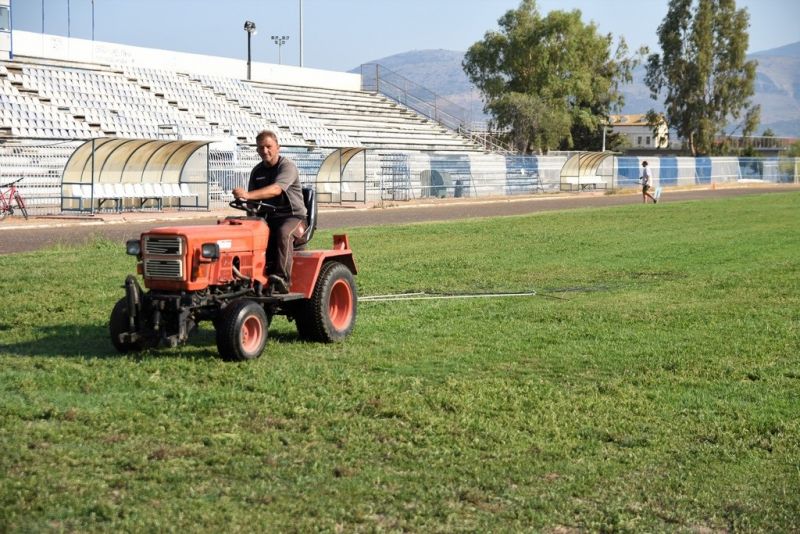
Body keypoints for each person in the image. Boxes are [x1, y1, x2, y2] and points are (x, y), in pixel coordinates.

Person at [232, 130, 307, 294]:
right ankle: (247, 276)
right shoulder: (257, 171)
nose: (265, 151)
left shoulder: (287, 167)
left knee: (283, 233)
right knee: (243, 234)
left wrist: (247, 194)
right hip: (268, 217)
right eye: (261, 148)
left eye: (268, 146)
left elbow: (276, 189)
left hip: (293, 217)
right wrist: (250, 220)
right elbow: (252, 204)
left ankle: (282, 279)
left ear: (278, 147)